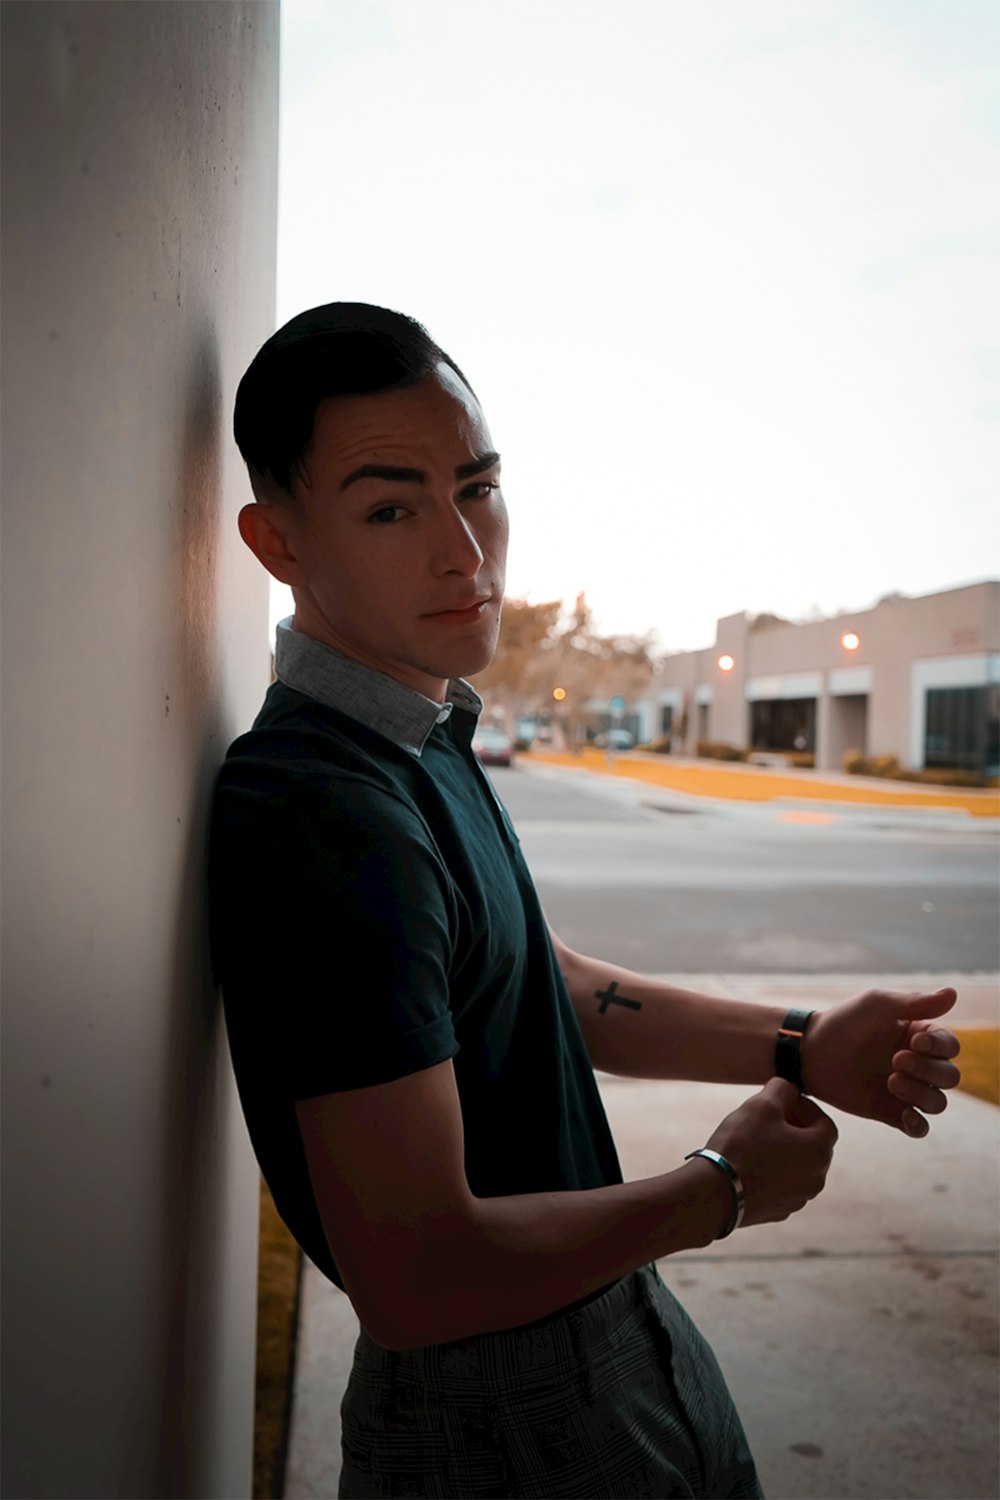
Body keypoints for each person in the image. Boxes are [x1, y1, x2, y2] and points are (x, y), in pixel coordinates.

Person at [210, 303, 962, 1500]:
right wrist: (715, 1189)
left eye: (479, 485)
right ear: (277, 541)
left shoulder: (419, 726)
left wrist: (800, 1047)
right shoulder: (320, 809)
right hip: (496, 1417)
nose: (465, 549)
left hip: (609, 1337)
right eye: (391, 506)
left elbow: (542, 985)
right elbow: (415, 1277)